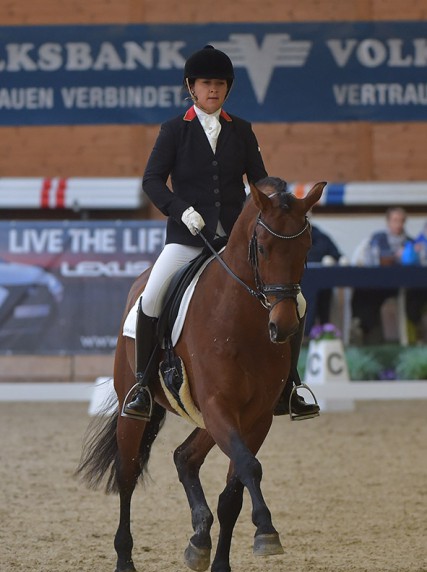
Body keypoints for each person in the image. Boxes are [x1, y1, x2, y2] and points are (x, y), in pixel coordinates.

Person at [123, 45, 319, 421]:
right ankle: (142, 386)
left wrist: (280, 203)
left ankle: (290, 387)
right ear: (191, 87)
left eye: (219, 84)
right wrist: (182, 211)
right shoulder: (173, 130)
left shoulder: (241, 130)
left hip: (234, 242)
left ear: (227, 88)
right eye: (205, 83)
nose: (212, 89)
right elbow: (152, 180)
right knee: (151, 298)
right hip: (187, 238)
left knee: (298, 303)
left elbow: (259, 180)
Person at [351, 207, 427, 343]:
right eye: (395, 220)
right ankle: (370, 335)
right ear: (388, 221)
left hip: (402, 286)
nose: (398, 224)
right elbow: (370, 260)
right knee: (364, 293)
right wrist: (393, 257)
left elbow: (418, 265)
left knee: (415, 297)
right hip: (378, 284)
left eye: (401, 221)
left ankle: (414, 336)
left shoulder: (411, 242)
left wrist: (412, 255)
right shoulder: (377, 239)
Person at [304, 225, 344, 335]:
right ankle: (305, 332)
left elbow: (337, 255)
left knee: (324, 291)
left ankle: (325, 330)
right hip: (297, 284)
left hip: (321, 284)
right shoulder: (287, 235)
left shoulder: (320, 236)